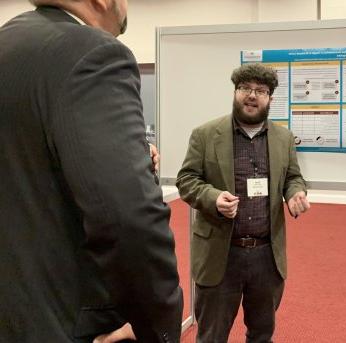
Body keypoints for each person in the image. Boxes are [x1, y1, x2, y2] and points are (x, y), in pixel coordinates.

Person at [0, 1, 183, 342]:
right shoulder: (95, 54)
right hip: (68, 321)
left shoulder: (10, 43)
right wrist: (154, 327)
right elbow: (128, 217)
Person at [176, 63, 310, 342]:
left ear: (270, 99)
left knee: (262, 334)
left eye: (260, 91)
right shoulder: (205, 134)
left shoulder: (283, 138)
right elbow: (186, 180)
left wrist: (296, 192)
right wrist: (213, 198)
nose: (252, 95)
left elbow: (293, 177)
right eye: (245, 88)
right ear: (235, 92)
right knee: (211, 335)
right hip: (221, 253)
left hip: (266, 254)